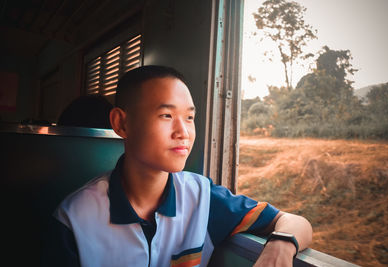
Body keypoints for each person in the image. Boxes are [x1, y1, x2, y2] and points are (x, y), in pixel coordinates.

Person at [42, 65, 312, 267]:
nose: (183, 131)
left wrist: (280, 246)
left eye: (190, 117)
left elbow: (293, 221)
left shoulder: (203, 199)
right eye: (167, 115)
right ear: (121, 124)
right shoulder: (74, 219)